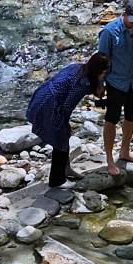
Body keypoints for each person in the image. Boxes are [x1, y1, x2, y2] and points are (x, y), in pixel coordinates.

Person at [27, 53, 109, 188]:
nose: (104, 75)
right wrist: (62, 123)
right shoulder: (83, 83)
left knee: (64, 135)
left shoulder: (78, 67)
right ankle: (57, 180)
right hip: (50, 104)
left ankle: (66, 169)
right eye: (104, 72)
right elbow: (67, 106)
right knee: (60, 138)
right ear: (98, 71)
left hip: (43, 95)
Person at [97, 0, 133, 176]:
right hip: (116, 83)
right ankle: (109, 159)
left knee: (131, 117)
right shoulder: (109, 31)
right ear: (124, 15)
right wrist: (100, 85)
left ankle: (125, 152)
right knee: (111, 119)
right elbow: (102, 60)